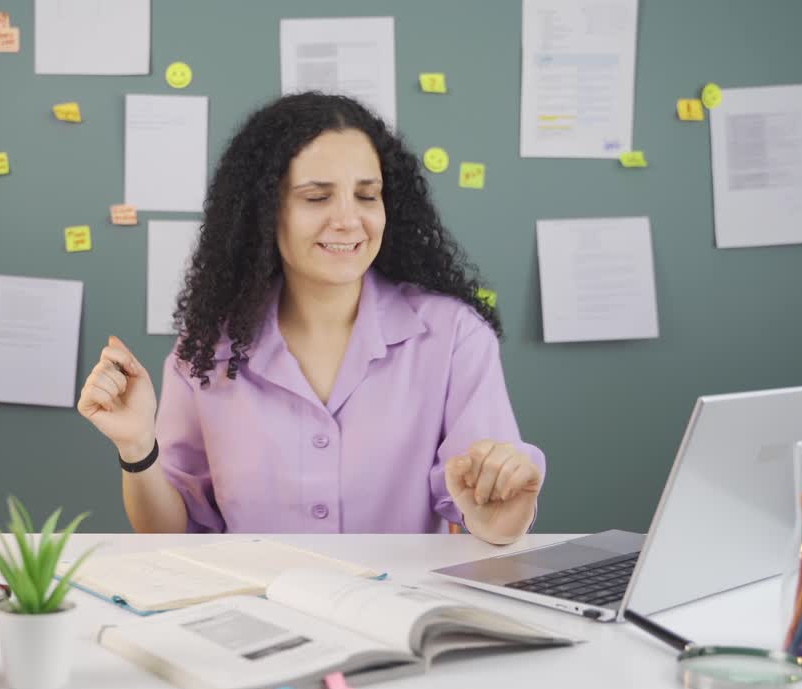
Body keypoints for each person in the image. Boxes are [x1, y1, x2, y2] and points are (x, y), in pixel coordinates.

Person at [78, 92, 544, 545]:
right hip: (253, 611)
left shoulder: (454, 335)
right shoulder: (203, 352)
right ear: (265, 212)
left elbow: (486, 505)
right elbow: (170, 531)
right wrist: (137, 447)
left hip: (392, 615)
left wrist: (496, 505)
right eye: (316, 197)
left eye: (367, 195)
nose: (348, 219)